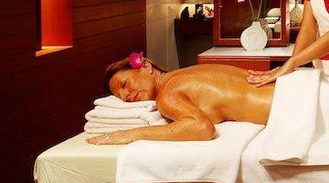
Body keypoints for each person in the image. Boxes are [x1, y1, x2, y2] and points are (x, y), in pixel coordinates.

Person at [86, 56, 275, 145]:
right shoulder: (187, 72)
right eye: (119, 96)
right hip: (285, 89)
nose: (125, 95)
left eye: (124, 84)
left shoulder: (167, 95)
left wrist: (133, 134)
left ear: (146, 67)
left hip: (283, 105)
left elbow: (202, 128)